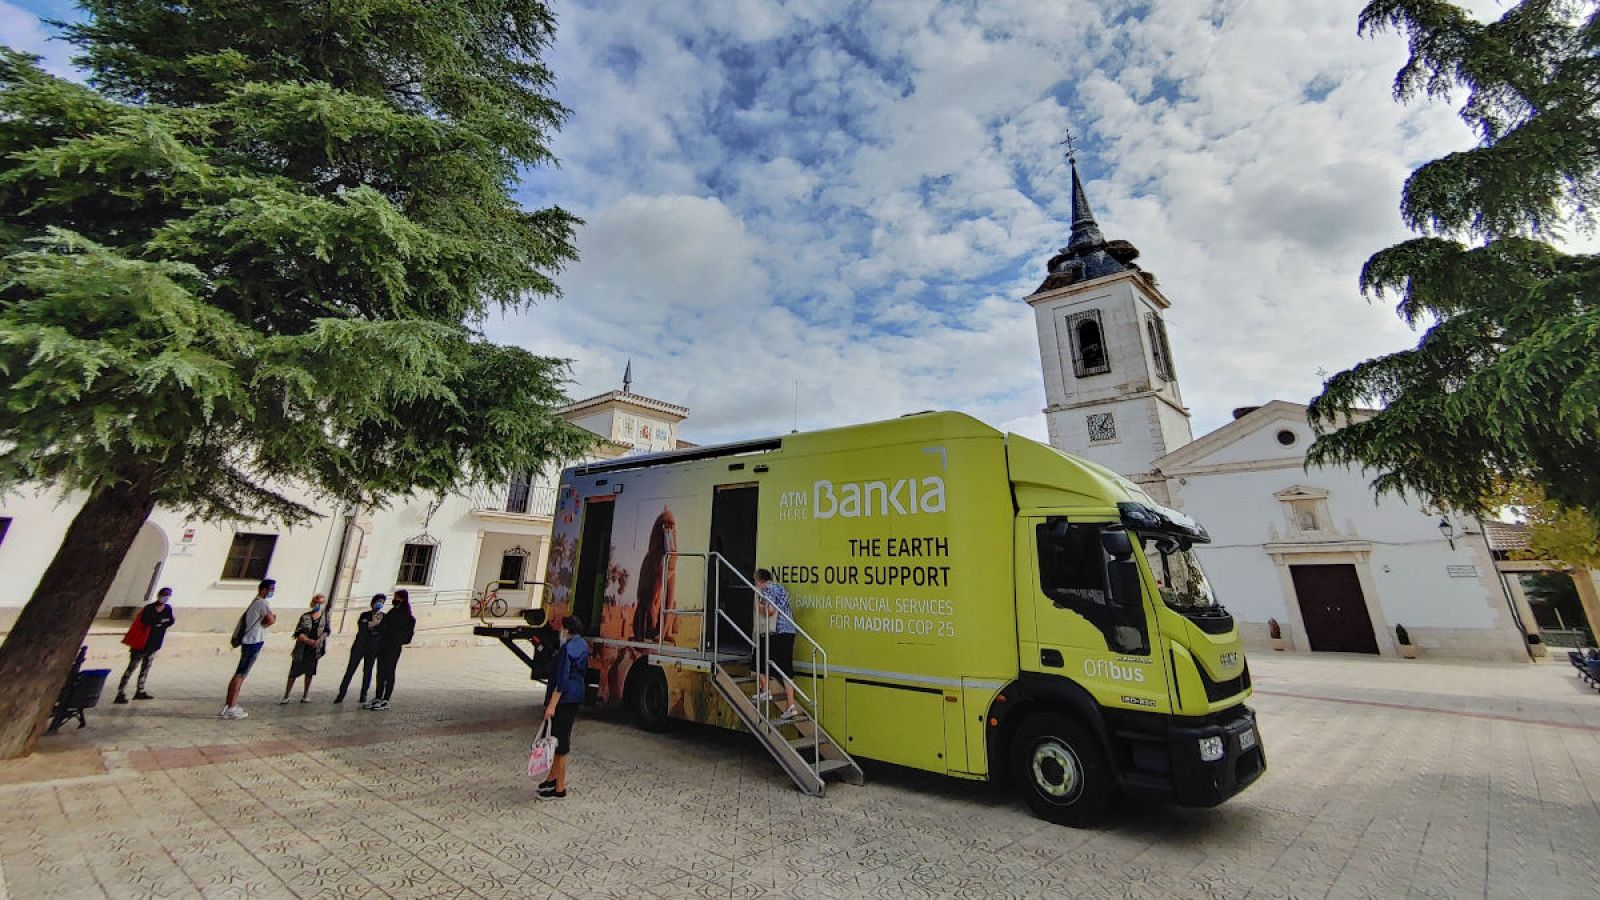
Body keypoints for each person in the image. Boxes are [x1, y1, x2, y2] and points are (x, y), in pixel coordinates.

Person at [539, 613, 589, 799]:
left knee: (559, 741)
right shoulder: (582, 645)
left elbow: (561, 680)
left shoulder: (567, 650)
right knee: (559, 738)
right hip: (576, 695)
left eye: (562, 628)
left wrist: (551, 706)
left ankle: (559, 786)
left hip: (564, 698)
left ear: (566, 630)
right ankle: (552, 777)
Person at [221, 579, 276, 720]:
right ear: (263, 589)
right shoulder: (262, 602)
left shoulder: (255, 602)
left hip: (249, 641)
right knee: (241, 674)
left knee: (240, 673)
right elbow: (270, 618)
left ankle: (230, 704)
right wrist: (272, 618)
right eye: (270, 589)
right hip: (253, 642)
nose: (272, 592)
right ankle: (231, 708)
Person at [114, 587, 177, 704]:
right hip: (141, 643)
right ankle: (120, 692)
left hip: (154, 643)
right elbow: (146, 621)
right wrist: (160, 622)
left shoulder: (167, 608)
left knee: (146, 668)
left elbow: (170, 621)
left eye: (168, 595)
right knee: (131, 667)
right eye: (164, 595)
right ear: (159, 595)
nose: (166, 597)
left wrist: (160, 623)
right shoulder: (149, 608)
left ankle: (140, 690)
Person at [753, 568, 799, 720]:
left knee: (756, 660)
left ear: (759, 581)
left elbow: (770, 610)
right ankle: (790, 705)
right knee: (786, 668)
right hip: (789, 630)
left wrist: (758, 606)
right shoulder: (781, 588)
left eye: (756, 582)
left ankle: (766, 690)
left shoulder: (767, 589)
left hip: (777, 632)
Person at [367, 589, 414, 710]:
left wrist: (382, 627)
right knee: (380, 671)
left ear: (401, 599)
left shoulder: (404, 614)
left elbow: (392, 627)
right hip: (384, 644)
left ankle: (386, 699)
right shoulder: (394, 610)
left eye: (396, 597)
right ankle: (378, 696)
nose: (394, 599)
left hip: (393, 646)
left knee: (389, 671)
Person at [334, 594, 385, 704]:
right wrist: (375, 623)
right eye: (378, 601)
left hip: (372, 649)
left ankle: (364, 694)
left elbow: (383, 631)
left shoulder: (383, 617)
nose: (379, 604)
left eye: (382, 602)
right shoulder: (364, 615)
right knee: (350, 670)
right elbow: (363, 628)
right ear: (372, 603)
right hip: (359, 647)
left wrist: (374, 625)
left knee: (368, 671)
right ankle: (341, 694)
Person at [280, 594, 330, 704]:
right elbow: (298, 633)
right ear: (312, 603)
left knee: (309, 673)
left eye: (321, 603)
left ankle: (305, 695)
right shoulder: (305, 617)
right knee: (293, 672)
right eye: (317, 602)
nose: (318, 605)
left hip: (314, 650)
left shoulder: (325, 616)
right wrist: (308, 640)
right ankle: (286, 695)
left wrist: (319, 641)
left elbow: (327, 630)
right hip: (302, 648)